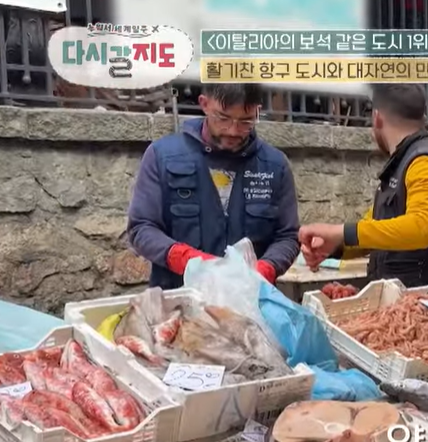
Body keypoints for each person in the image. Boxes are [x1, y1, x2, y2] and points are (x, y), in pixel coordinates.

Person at [298, 84, 428, 289]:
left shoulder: (425, 164)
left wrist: (340, 232)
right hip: (404, 302)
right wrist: (335, 246)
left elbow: (420, 227)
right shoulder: (401, 165)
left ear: (377, 117)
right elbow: (378, 227)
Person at [125, 83, 300, 289]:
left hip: (250, 296)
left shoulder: (274, 165)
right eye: (223, 118)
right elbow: (141, 228)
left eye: (246, 121)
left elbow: (288, 236)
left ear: (257, 111)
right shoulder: (162, 156)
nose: (233, 131)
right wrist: (185, 259)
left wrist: (266, 268)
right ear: (204, 104)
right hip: (179, 297)